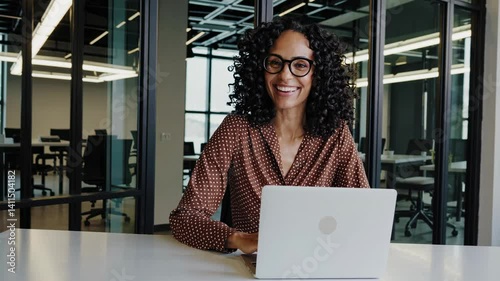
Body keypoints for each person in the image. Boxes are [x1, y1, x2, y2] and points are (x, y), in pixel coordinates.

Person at [170, 17, 369, 254]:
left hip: (315, 263)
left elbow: (362, 213)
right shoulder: (237, 128)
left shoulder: (335, 134)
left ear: (319, 74)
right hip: (249, 267)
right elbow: (185, 218)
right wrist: (236, 238)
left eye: (300, 65)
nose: (285, 76)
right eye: (275, 63)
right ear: (260, 69)